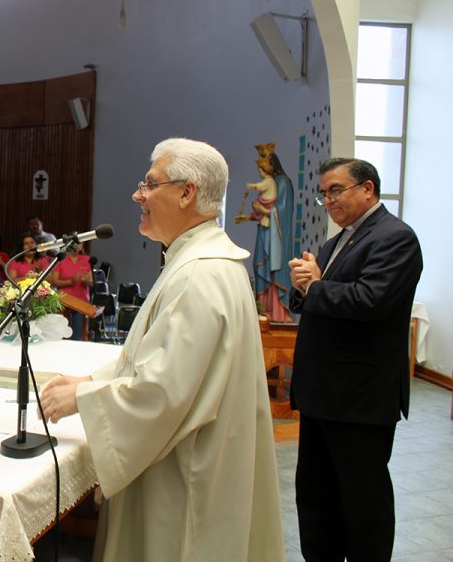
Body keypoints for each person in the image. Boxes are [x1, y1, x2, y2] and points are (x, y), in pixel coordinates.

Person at [39, 138, 284, 561]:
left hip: (182, 483)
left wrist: (82, 397)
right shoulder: (206, 262)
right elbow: (159, 359)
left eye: (150, 184)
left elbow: (161, 392)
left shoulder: (198, 276)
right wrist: (93, 380)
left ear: (187, 192)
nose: (139, 194)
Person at [288, 158, 422, 562]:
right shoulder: (339, 240)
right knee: (315, 496)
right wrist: (302, 287)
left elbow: (371, 300)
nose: (328, 200)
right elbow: (318, 298)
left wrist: (316, 286)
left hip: (359, 397)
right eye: (323, 193)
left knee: (363, 503)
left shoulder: (395, 237)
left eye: (336, 190)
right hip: (322, 393)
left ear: (367, 189)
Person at [235, 143, 294, 322]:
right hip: (264, 232)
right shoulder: (270, 183)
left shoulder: (283, 182)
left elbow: (284, 209)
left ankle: (277, 311)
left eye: (263, 166)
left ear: (272, 165)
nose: (260, 171)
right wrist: (246, 218)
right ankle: (263, 309)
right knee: (260, 264)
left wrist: (265, 209)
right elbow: (260, 210)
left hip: (276, 235)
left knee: (274, 267)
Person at [49, 242, 93, 340]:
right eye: (73, 243)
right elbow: (55, 282)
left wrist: (87, 281)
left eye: (78, 243)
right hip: (63, 302)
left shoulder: (87, 259)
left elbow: (92, 282)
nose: (76, 246)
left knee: (78, 334)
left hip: (81, 302)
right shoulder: (60, 259)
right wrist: (70, 281)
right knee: (62, 334)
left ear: (81, 246)